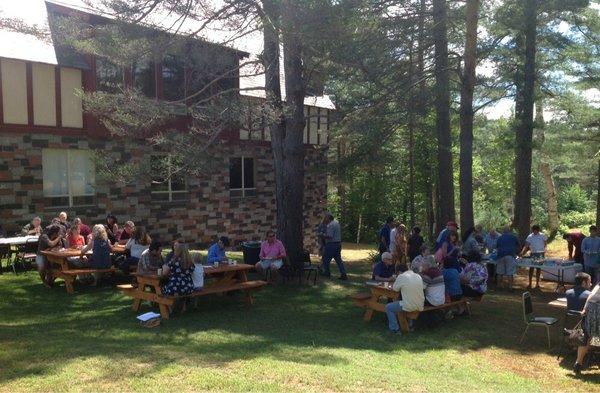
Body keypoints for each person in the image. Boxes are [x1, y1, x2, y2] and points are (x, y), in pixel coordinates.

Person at [384, 264, 424, 334]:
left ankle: (394, 329)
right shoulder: (418, 276)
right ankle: (410, 325)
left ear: (399, 272)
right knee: (408, 301)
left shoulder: (401, 276)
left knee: (388, 307)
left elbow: (395, 289)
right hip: (420, 304)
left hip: (409, 305)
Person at [573, 283, 600, 376]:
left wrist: (585, 308)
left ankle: (578, 362)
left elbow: (591, 295)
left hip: (591, 309)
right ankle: (595, 355)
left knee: (588, 336)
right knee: (596, 336)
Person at [320, 213, 348, 280]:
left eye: (326, 218)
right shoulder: (336, 223)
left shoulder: (331, 225)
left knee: (325, 259)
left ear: (328, 218)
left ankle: (327, 273)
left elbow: (330, 236)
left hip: (331, 244)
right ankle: (343, 274)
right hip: (338, 244)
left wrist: (322, 235)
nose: (325, 219)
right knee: (338, 260)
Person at [520, 224, 547, 289]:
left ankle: (537, 284)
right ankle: (530, 284)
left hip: (541, 254)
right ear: (532, 230)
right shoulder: (530, 236)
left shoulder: (542, 235)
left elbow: (545, 243)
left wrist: (545, 249)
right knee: (531, 268)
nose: (535, 232)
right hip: (533, 254)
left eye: (536, 231)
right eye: (534, 231)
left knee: (538, 269)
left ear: (538, 230)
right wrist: (522, 253)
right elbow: (526, 245)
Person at [495, 226, 520, 291]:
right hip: (510, 255)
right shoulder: (514, 237)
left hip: (500, 255)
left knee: (499, 272)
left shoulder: (500, 238)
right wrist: (516, 253)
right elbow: (518, 245)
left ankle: (498, 286)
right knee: (510, 272)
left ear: (503, 231)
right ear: (509, 231)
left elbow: (497, 247)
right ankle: (510, 287)